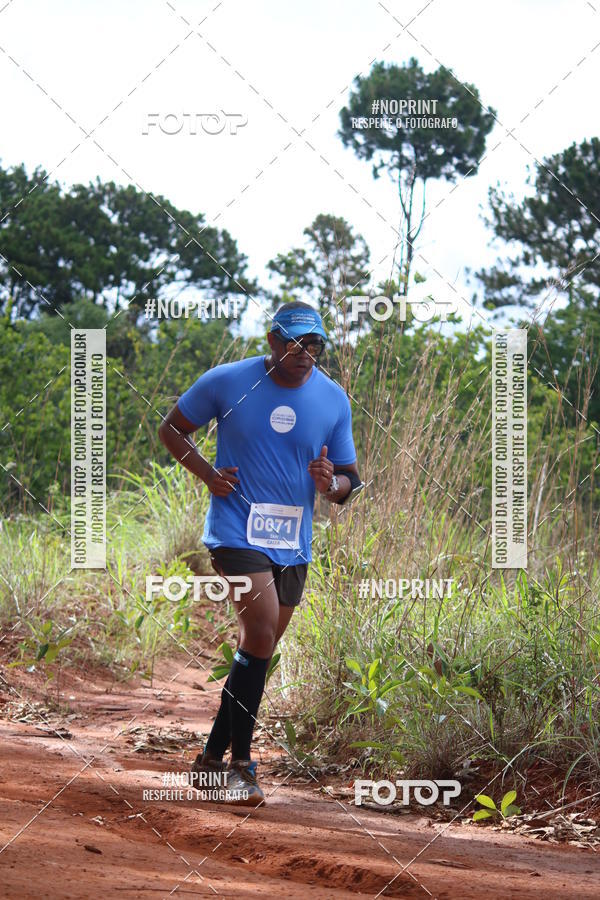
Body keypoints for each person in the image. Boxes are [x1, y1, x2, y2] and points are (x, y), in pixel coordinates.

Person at [158, 301, 363, 805]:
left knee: (259, 649)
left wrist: (330, 481)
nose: (305, 353)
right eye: (295, 343)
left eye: (314, 344)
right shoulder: (226, 381)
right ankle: (241, 767)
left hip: (293, 543)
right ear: (272, 341)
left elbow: (349, 482)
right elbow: (171, 429)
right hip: (235, 532)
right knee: (261, 629)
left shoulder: (333, 399)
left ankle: (208, 760)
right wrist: (208, 474)